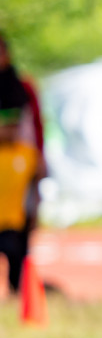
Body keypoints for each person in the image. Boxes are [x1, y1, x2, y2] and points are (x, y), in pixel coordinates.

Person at [0, 32, 46, 235]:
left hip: (20, 164)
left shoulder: (22, 88)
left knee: (19, 229)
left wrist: (40, 158)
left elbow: (35, 126)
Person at [0, 104, 40, 297]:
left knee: (17, 255)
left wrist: (34, 213)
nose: (11, 131)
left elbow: (36, 183)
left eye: (14, 126)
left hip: (14, 220)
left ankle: (16, 292)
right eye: (7, 126)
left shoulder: (27, 154)